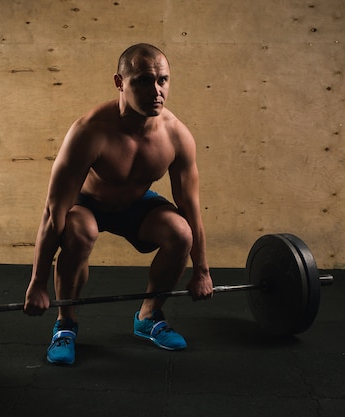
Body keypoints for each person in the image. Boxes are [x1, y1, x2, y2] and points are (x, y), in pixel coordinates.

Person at [23, 43, 213, 365]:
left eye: (163, 80)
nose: (156, 91)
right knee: (81, 232)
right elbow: (54, 210)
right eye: (142, 81)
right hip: (88, 203)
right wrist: (37, 282)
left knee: (181, 232)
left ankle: (148, 318)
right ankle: (65, 324)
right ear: (119, 82)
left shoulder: (176, 136)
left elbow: (190, 207)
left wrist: (202, 271)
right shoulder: (89, 132)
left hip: (135, 204)